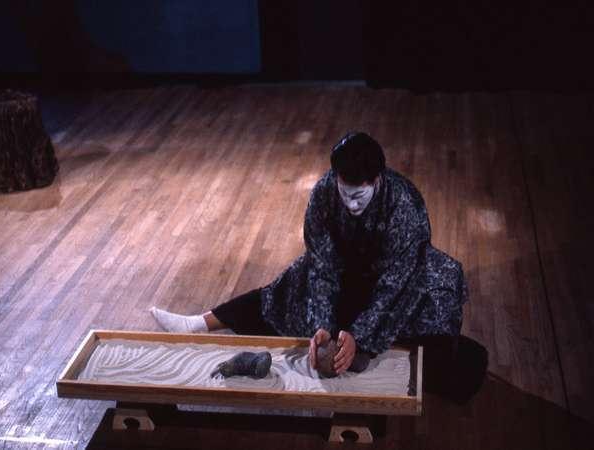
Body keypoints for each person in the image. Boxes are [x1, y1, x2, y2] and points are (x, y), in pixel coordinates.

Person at [151, 131, 468, 376]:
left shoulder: (404, 207)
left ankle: (371, 348)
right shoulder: (324, 192)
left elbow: (394, 285)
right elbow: (321, 267)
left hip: (402, 279)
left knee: (435, 331)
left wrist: (359, 336)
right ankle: (199, 324)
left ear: (377, 180)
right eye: (346, 193)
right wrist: (322, 326)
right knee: (288, 287)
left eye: (359, 196)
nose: (351, 204)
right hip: (348, 267)